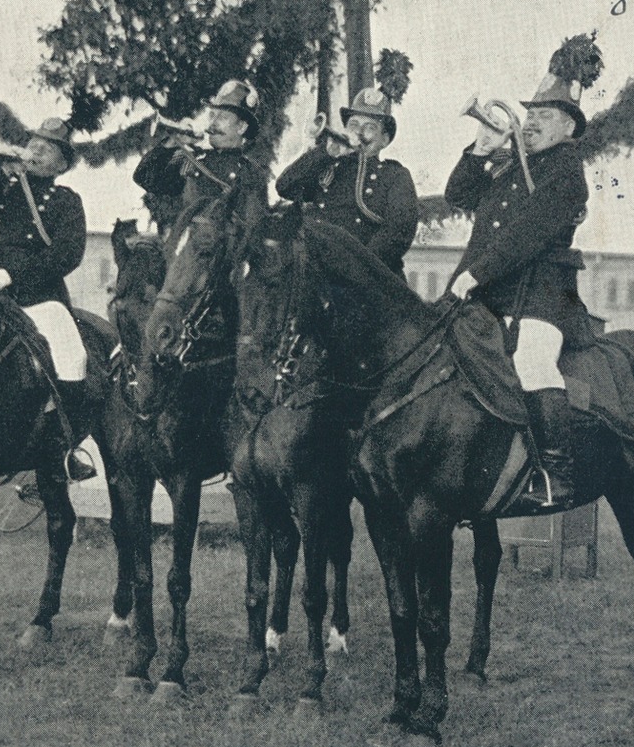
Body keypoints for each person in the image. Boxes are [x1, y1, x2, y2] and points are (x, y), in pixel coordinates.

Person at [444, 49, 600, 509]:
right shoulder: (512, 165)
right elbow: (459, 194)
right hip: (488, 292)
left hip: (542, 297)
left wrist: (473, 274)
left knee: (533, 362)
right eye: (530, 114)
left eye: (545, 115)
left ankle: (556, 476)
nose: (531, 123)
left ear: (569, 127)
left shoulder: (568, 175)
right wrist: (481, 149)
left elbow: (524, 236)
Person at [0, 117, 95, 481]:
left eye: (46, 148)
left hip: (39, 295)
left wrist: (16, 275)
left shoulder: (66, 200)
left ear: (61, 164)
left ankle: (65, 449)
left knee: (72, 357)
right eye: (34, 143)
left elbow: (68, 254)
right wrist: (0, 171)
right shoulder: (5, 187)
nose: (35, 150)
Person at [275, 86, 420, 276]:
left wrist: (354, 269)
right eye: (353, 125)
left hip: (363, 278)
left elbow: (398, 233)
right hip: (317, 272)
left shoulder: (395, 176)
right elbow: (285, 186)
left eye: (369, 127)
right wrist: (325, 153)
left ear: (384, 140)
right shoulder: (328, 166)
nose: (359, 132)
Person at [131, 80, 271, 235]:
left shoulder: (252, 174)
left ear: (241, 127)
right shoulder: (192, 160)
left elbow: (255, 230)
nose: (213, 123)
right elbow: (144, 177)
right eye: (212, 115)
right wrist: (172, 143)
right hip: (182, 253)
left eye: (223, 117)